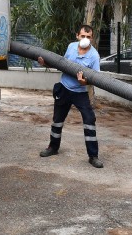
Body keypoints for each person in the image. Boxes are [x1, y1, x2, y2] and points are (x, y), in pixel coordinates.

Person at [37, 24, 104, 168]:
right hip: (64, 88)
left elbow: (96, 79)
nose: (85, 39)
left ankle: (93, 156)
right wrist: (45, 64)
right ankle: (53, 148)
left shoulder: (94, 56)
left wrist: (84, 82)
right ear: (77, 36)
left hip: (80, 93)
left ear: (92, 38)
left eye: (88, 37)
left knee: (89, 120)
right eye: (83, 36)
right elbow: (61, 64)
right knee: (57, 120)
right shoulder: (71, 47)